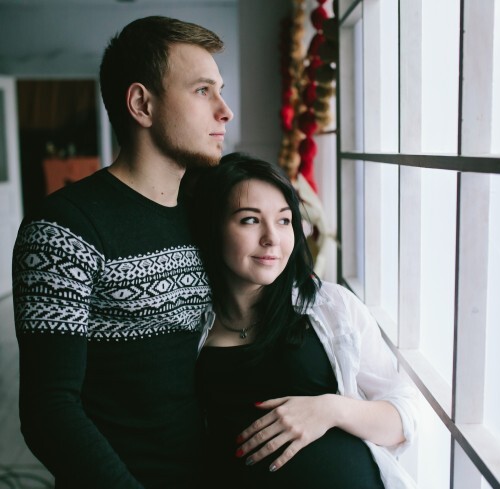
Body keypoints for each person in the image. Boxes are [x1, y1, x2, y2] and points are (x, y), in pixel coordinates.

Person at [12, 16, 233, 488]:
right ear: (141, 104)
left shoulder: (203, 213)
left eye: (220, 91)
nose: (225, 111)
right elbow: (49, 411)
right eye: (202, 91)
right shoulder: (63, 228)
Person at [190, 153, 419, 489]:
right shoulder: (189, 327)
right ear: (213, 228)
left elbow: (404, 418)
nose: (272, 237)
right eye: (250, 220)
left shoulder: (331, 306)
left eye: (284, 220)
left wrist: (331, 410)